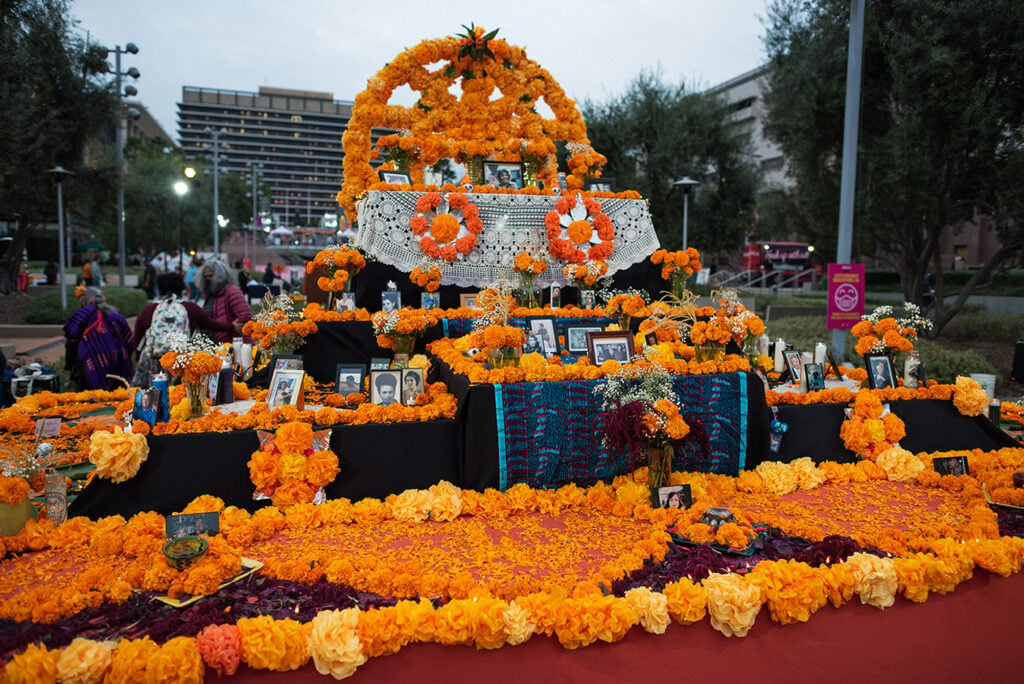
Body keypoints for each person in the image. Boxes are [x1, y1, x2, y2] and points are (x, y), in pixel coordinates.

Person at [131, 272, 238, 386]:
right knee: (179, 394)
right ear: (181, 288)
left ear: (159, 288)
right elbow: (212, 325)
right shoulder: (190, 308)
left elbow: (137, 337)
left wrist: (138, 356)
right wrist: (232, 327)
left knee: (152, 395)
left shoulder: (149, 309)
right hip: (181, 362)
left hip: (153, 360)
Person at [63, 287, 134, 391]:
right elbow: (129, 340)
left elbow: (71, 343)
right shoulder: (116, 316)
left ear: (84, 301)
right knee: (116, 398)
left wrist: (68, 368)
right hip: (117, 364)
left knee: (90, 400)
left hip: (88, 367)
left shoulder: (82, 315)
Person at [194, 259, 251, 343]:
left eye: (210, 276)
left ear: (220, 276)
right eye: (205, 277)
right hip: (214, 344)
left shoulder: (232, 291)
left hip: (229, 344)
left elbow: (244, 316)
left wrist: (230, 328)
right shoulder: (210, 294)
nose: (207, 279)